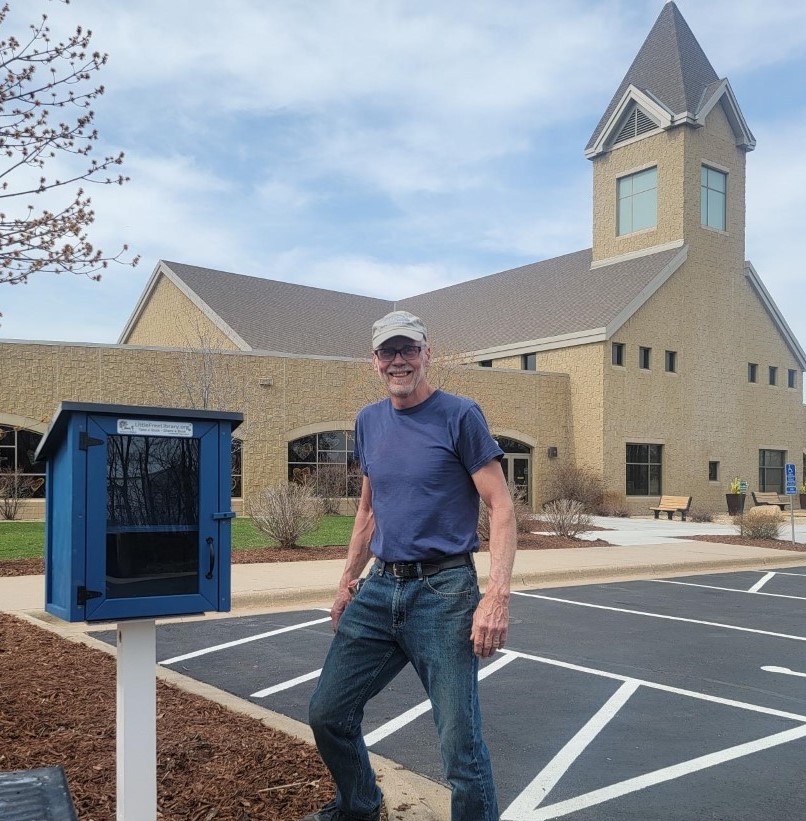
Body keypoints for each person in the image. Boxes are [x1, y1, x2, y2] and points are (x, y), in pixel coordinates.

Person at [301, 310, 517, 821]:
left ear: (427, 354)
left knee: (459, 748)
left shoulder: (460, 415)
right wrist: (346, 582)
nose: (398, 361)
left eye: (408, 350)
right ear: (374, 361)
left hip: (444, 592)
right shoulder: (368, 421)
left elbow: (502, 505)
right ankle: (359, 806)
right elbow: (367, 511)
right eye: (387, 352)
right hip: (380, 590)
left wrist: (496, 595)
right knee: (328, 713)